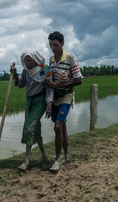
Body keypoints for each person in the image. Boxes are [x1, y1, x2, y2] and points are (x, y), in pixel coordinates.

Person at [10, 50, 54, 171]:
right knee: (36, 128)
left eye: (29, 60)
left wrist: (49, 103)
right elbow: (21, 85)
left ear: (35, 60)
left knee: (29, 127)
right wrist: (15, 75)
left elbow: (49, 86)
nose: (27, 62)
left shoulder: (44, 69)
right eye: (25, 60)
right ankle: (44, 156)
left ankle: (26, 160)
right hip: (29, 101)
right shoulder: (25, 71)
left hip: (40, 101)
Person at [47, 31, 83, 171]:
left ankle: (57, 159)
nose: (53, 48)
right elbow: (50, 79)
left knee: (57, 127)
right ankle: (67, 155)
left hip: (66, 95)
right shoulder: (51, 60)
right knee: (62, 127)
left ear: (62, 43)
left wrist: (59, 85)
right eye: (50, 45)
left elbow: (78, 80)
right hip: (55, 97)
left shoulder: (70, 58)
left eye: (55, 45)